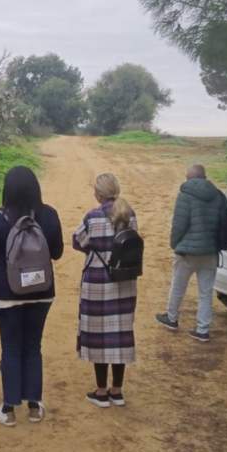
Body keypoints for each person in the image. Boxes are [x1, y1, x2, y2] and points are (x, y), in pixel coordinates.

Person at [0, 166, 63, 426]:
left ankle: (8, 410)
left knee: (11, 349)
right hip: (42, 292)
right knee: (33, 347)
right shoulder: (48, 215)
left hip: (8, 293)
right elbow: (57, 252)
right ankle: (35, 407)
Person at [73, 173, 139, 408]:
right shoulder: (129, 215)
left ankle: (101, 391)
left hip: (97, 282)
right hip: (124, 282)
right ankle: (117, 391)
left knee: (99, 335)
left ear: (99, 194)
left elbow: (77, 240)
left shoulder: (92, 216)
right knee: (120, 334)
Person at [155, 164, 226, 342]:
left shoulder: (185, 195)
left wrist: (174, 244)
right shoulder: (218, 196)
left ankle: (171, 318)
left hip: (187, 251)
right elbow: (223, 223)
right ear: (204, 177)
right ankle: (202, 329)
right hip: (210, 251)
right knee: (205, 292)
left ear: (190, 178)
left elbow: (179, 224)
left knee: (178, 286)